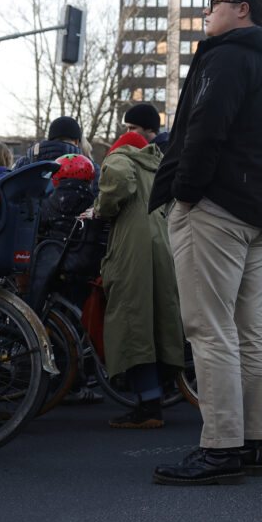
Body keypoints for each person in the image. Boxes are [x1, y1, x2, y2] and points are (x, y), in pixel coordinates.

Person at [149, 0, 262, 485]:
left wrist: (186, 192)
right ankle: (252, 441)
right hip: (260, 214)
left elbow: (204, 128)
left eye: (214, 2)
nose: (206, 10)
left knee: (209, 328)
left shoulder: (226, 56)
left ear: (244, 10)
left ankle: (219, 448)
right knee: (251, 329)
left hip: (216, 209)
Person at [94, 131, 185, 429]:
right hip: (162, 244)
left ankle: (148, 407)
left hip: (133, 248)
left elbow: (118, 180)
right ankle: (158, 393)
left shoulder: (121, 159)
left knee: (133, 323)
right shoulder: (157, 162)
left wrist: (100, 209)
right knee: (158, 321)